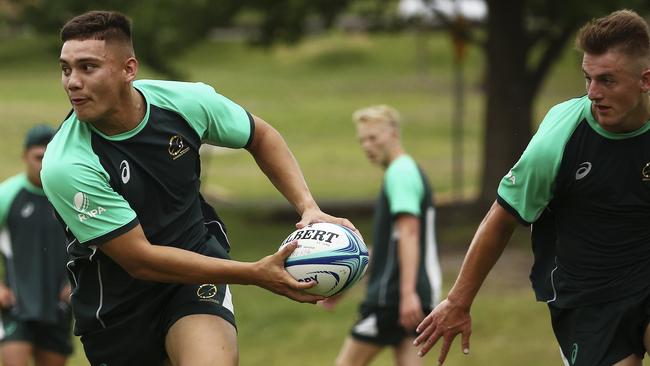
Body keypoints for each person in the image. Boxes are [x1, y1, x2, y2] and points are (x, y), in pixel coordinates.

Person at [41, 10, 357, 366]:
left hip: (196, 278)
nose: (72, 82)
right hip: (118, 311)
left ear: (129, 69)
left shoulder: (185, 103)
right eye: (66, 69)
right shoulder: (67, 165)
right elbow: (141, 261)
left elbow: (260, 135)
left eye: (87, 67)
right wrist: (254, 273)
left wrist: (308, 207)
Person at [414, 9, 650, 366]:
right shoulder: (558, 141)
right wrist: (459, 302)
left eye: (607, 81)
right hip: (586, 296)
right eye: (587, 78)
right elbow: (501, 218)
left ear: (645, 80)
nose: (592, 93)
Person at [328, 105, 442, 366]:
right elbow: (389, 244)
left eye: (373, 137)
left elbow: (409, 233)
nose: (367, 146)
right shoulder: (407, 170)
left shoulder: (400, 173)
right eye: (362, 140)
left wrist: (406, 294)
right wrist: (348, 280)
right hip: (413, 295)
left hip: (390, 298)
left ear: (393, 134)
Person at [0, 125, 72, 366]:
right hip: (16, 303)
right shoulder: (7, 195)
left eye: (49, 156)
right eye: (38, 157)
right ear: (25, 157)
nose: (43, 163)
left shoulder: (72, 196)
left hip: (58, 304)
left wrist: (77, 282)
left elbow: (95, 245)